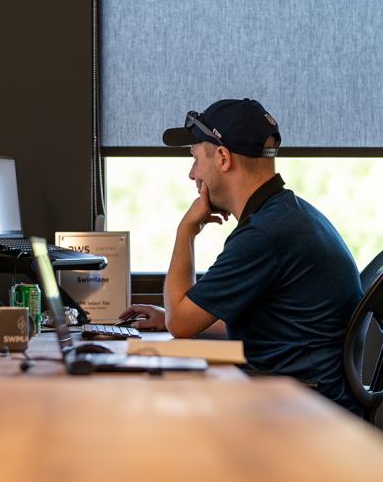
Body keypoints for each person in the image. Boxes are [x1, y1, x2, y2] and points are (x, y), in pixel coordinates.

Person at [118, 98, 364, 414]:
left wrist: (185, 232)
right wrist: (170, 317)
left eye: (194, 158)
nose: (192, 174)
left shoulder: (265, 233)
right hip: (302, 396)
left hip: (302, 409)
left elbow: (180, 324)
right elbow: (266, 325)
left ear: (222, 157)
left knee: (156, 404)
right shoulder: (287, 214)